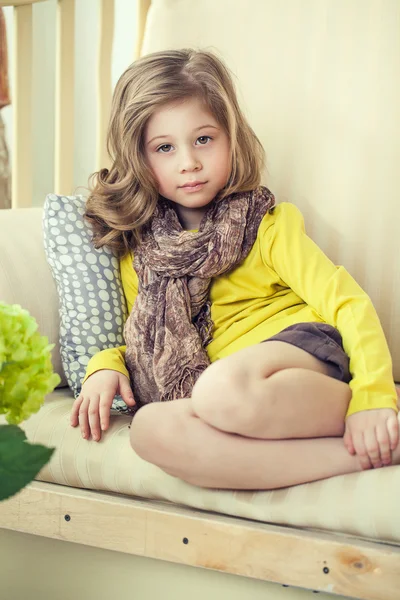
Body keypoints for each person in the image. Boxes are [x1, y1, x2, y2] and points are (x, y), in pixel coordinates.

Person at [70, 49, 400, 490]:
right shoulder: (143, 255)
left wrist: (373, 396)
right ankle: (368, 453)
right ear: (140, 160)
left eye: (203, 139)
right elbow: (140, 335)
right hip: (228, 396)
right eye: (165, 148)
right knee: (150, 428)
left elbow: (348, 303)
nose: (188, 161)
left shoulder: (267, 224)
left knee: (219, 389)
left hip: (298, 359)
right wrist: (104, 366)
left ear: (231, 138)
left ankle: (379, 414)